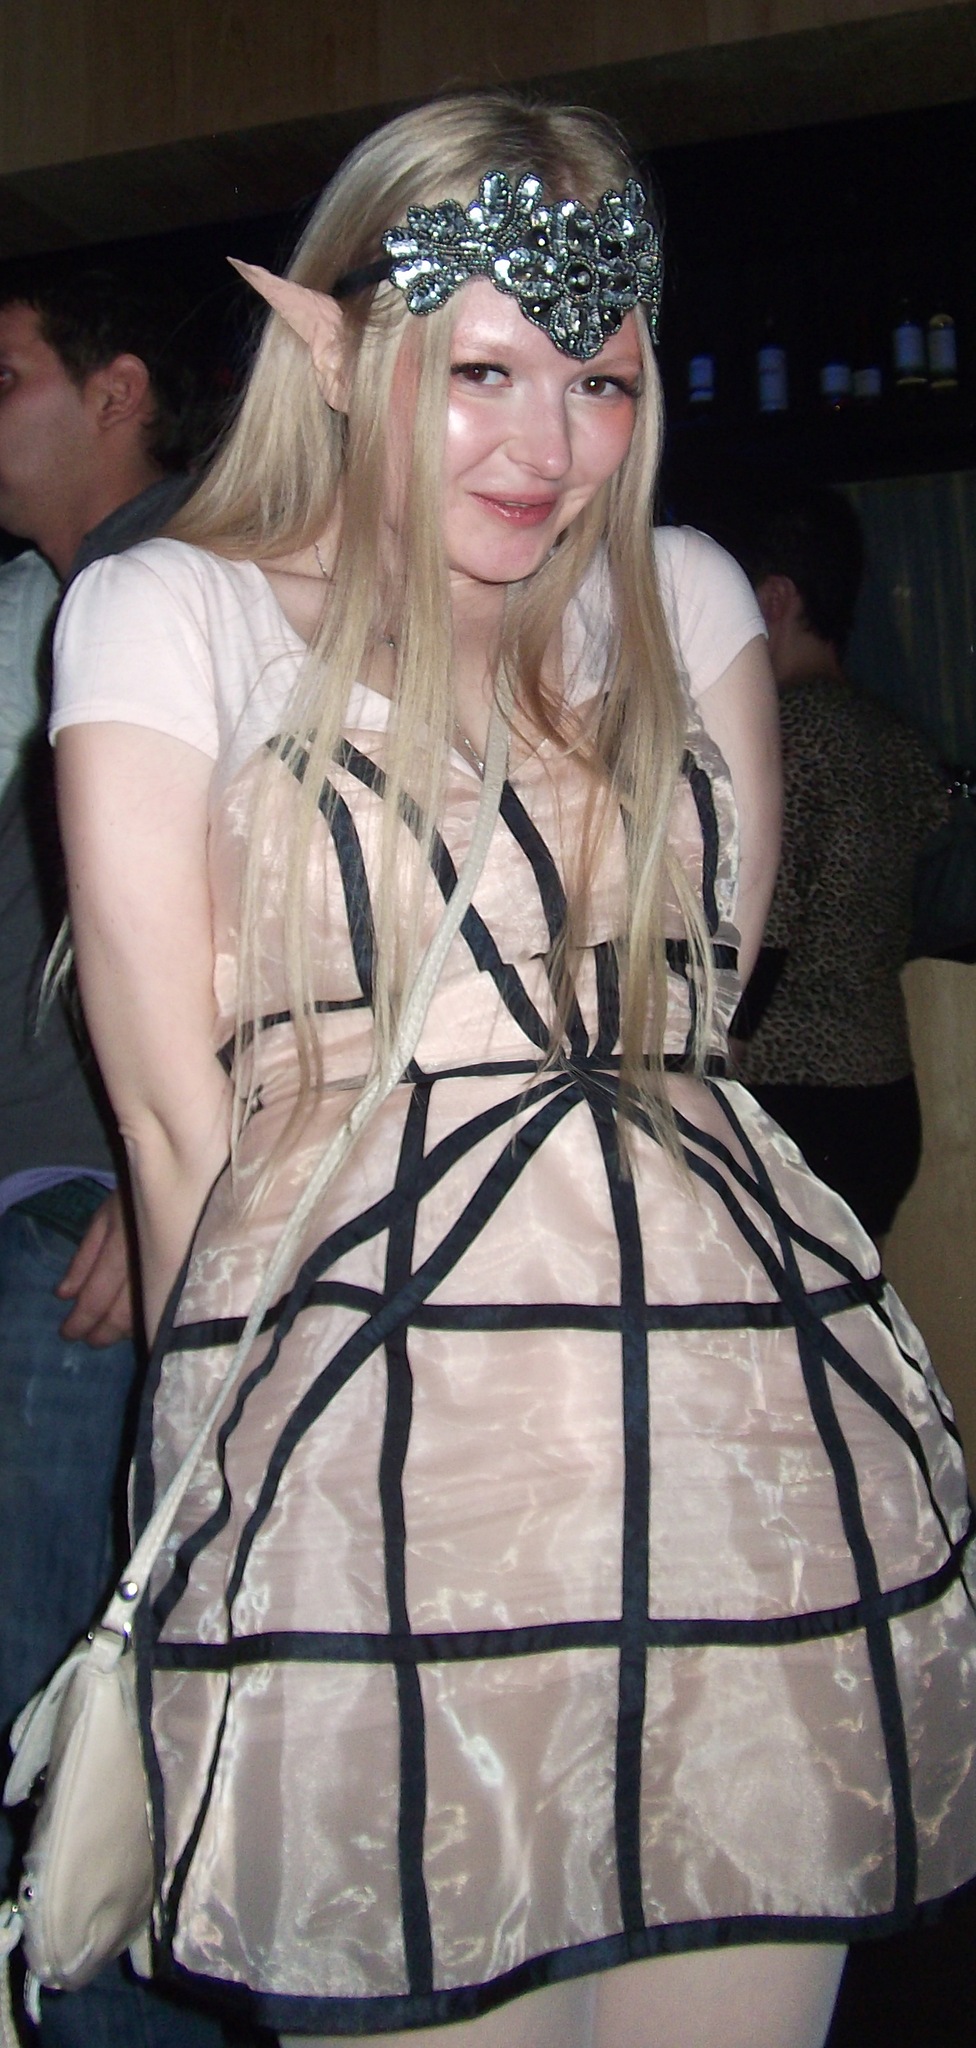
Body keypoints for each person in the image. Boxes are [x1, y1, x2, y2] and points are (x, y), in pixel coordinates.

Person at [52, 96, 975, 2048]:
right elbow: (173, 1125)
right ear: (335, 352)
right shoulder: (168, 608)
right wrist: (215, 1508)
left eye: (599, 380)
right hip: (377, 1464)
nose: (544, 445)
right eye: (480, 371)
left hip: (724, 1445)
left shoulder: (686, 596)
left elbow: (678, 1032)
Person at [0, 270, 242, 2048]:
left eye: (2, 376)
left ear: (116, 392)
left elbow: (296, 904)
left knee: (69, 1715)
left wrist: (184, 1196)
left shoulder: (197, 585)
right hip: (68, 1203)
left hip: (95, 1227)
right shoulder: (72, 601)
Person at [733, 488, 948, 1243]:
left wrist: (716, 1056)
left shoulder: (785, 733)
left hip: (794, 1098)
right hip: (882, 1092)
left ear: (775, 598)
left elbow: (768, 918)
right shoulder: (898, 739)